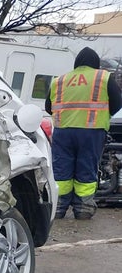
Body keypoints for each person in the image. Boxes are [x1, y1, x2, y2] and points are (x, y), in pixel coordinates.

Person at [46, 47, 122, 219]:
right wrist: (104, 115)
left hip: (63, 131)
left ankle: (58, 207)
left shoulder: (60, 80)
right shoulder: (103, 77)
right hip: (92, 131)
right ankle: (83, 208)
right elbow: (117, 103)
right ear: (95, 63)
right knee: (86, 167)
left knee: (61, 168)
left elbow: (48, 107)